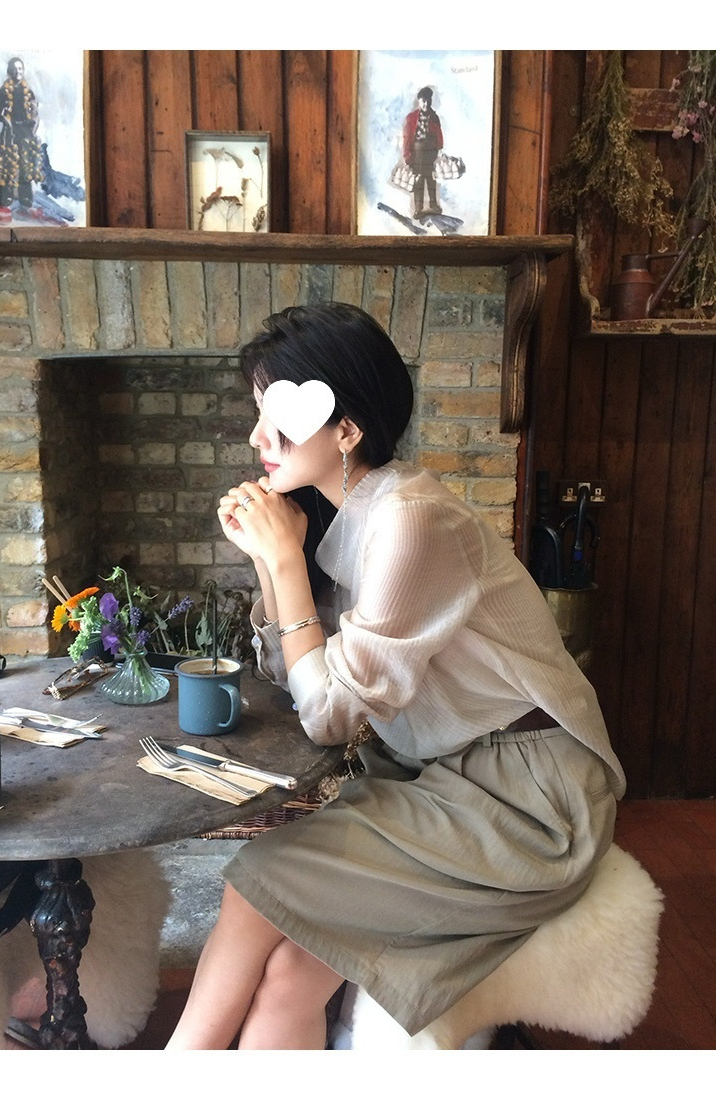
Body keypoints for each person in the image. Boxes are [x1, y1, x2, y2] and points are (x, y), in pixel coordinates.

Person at [167, 302, 625, 1050]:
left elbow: (327, 717)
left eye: (275, 416)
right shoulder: (339, 515)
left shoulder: (411, 519)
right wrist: (272, 560)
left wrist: (283, 562)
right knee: (288, 976)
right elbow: (291, 677)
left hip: (529, 802)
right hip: (437, 780)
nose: (256, 438)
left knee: (256, 878)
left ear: (345, 430)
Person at [0, 57, 43, 210]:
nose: (17, 72)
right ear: (10, 71)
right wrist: (7, 122)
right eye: (14, 69)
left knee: (25, 163)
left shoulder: (28, 91)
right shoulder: (3, 91)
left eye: (20, 68)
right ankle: (5, 197)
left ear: (23, 70)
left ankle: (25, 197)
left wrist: (34, 127)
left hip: (26, 131)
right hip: (10, 131)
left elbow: (35, 112)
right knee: (8, 163)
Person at [402, 86, 443, 220]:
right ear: (419, 101)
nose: (426, 104)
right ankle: (418, 209)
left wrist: (438, 149)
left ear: (431, 101)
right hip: (417, 153)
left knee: (431, 179)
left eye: (428, 101)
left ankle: (433, 204)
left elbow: (439, 135)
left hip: (431, 153)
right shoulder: (412, 118)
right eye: (423, 101)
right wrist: (408, 156)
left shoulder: (434, 117)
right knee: (418, 181)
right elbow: (407, 138)